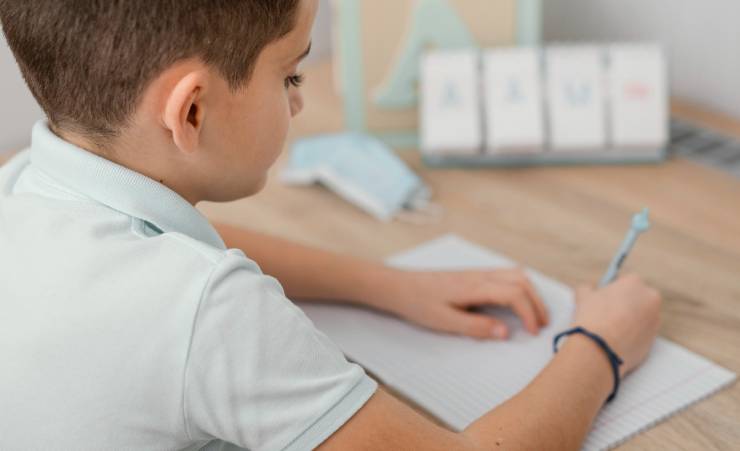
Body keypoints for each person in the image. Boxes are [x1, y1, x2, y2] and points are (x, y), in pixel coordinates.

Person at [0, 0, 662, 449]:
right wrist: (599, 345)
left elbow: (179, 253)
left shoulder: (25, 179)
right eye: (290, 71)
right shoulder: (214, 314)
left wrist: (388, 285)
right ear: (192, 111)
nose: (301, 97)